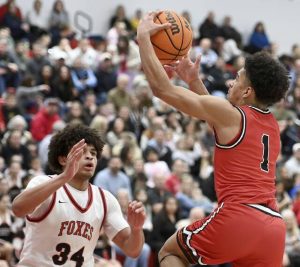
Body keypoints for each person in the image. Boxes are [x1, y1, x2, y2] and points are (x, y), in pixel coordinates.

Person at [137, 11, 289, 267]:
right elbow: (220, 124)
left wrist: (143, 38)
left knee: (170, 253)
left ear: (248, 91)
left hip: (239, 216)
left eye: (238, 78)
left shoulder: (232, 115)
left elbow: (161, 89)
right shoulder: (272, 127)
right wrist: (194, 82)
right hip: (273, 228)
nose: (231, 81)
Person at [12, 124, 146, 266]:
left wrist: (136, 229)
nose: (89, 156)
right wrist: (64, 177)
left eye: (93, 153)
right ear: (63, 159)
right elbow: (18, 209)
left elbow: (132, 250)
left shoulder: (105, 199)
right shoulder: (43, 183)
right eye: (82, 152)